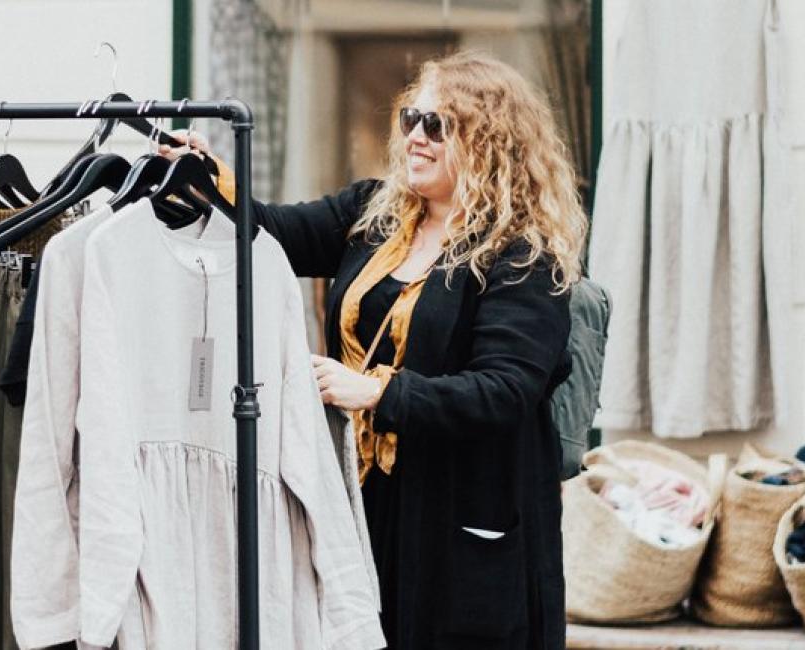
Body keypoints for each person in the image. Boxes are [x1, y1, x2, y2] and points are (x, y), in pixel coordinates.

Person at [160, 51, 587, 650]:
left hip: (461, 519)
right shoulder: (374, 214)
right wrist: (207, 176)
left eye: (436, 125)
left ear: (489, 142)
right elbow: (271, 232)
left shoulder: (520, 257)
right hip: (365, 499)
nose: (415, 136)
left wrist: (378, 391)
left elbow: (505, 390)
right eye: (412, 118)